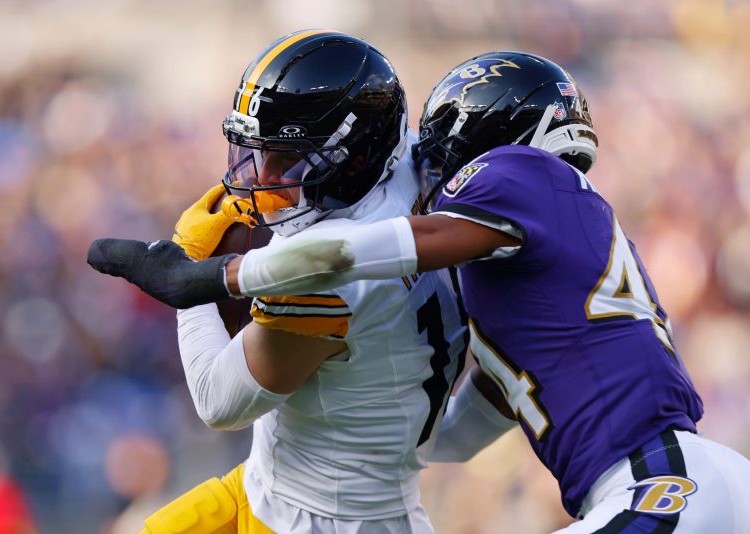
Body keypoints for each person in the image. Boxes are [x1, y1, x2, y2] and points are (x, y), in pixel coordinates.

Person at [90, 51, 750, 532]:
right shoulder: (516, 293)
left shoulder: (521, 173)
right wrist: (374, 415)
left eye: (444, 151)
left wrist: (213, 275)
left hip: (660, 483)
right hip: (671, 478)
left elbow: (362, 252)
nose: (432, 167)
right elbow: (446, 440)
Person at [97, 30, 467, 534]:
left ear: (355, 160)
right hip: (274, 488)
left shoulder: (329, 272)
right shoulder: (420, 169)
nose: (261, 178)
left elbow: (217, 401)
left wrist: (189, 273)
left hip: (319, 521)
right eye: (257, 153)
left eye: (285, 159)